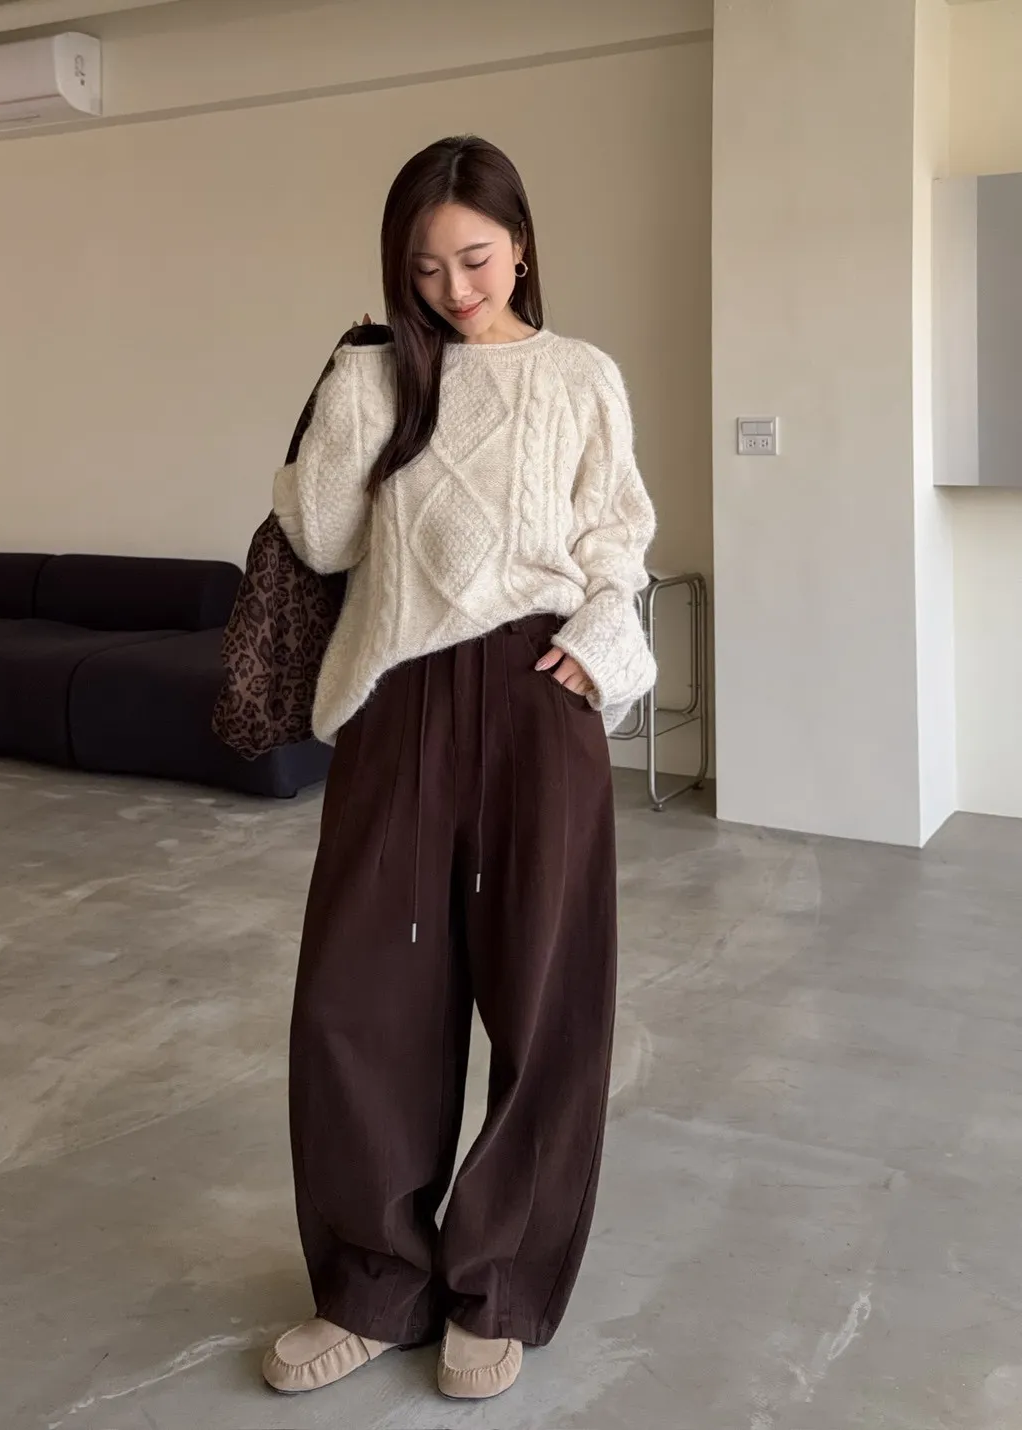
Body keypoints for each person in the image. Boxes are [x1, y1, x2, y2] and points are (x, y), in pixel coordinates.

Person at [262, 134, 656, 1402]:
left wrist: (600, 643)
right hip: (398, 694)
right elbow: (324, 536)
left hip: (539, 686)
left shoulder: (580, 375)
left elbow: (618, 538)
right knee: (358, 992)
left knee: (544, 996)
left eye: (475, 258)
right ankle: (372, 1282)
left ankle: (498, 1283)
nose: (453, 287)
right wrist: (349, 384)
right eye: (425, 267)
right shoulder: (378, 371)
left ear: (521, 245)